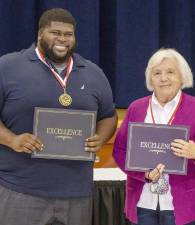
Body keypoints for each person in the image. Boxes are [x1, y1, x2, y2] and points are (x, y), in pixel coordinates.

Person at [0, 8, 117, 225]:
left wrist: (100, 138)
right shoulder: (7, 67)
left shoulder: (93, 73)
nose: (62, 39)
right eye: (55, 32)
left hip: (77, 193)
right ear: (39, 35)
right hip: (20, 189)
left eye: (68, 34)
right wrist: (12, 140)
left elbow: (108, 117)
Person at [113, 48, 195, 225]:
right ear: (150, 79)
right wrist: (145, 174)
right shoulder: (136, 108)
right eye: (157, 73)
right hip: (143, 202)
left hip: (184, 203)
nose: (163, 78)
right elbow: (119, 151)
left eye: (170, 72)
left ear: (182, 77)